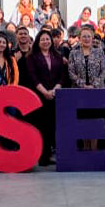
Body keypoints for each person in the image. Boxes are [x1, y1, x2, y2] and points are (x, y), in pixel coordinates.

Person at [25, 30, 66, 166]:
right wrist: (45, 92)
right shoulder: (32, 57)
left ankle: (49, 154)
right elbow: (32, 76)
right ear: (38, 41)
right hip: (39, 96)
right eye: (42, 39)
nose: (45, 42)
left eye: (47, 39)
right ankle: (41, 156)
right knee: (40, 126)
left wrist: (55, 90)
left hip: (55, 96)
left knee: (52, 126)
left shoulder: (58, 56)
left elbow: (62, 75)